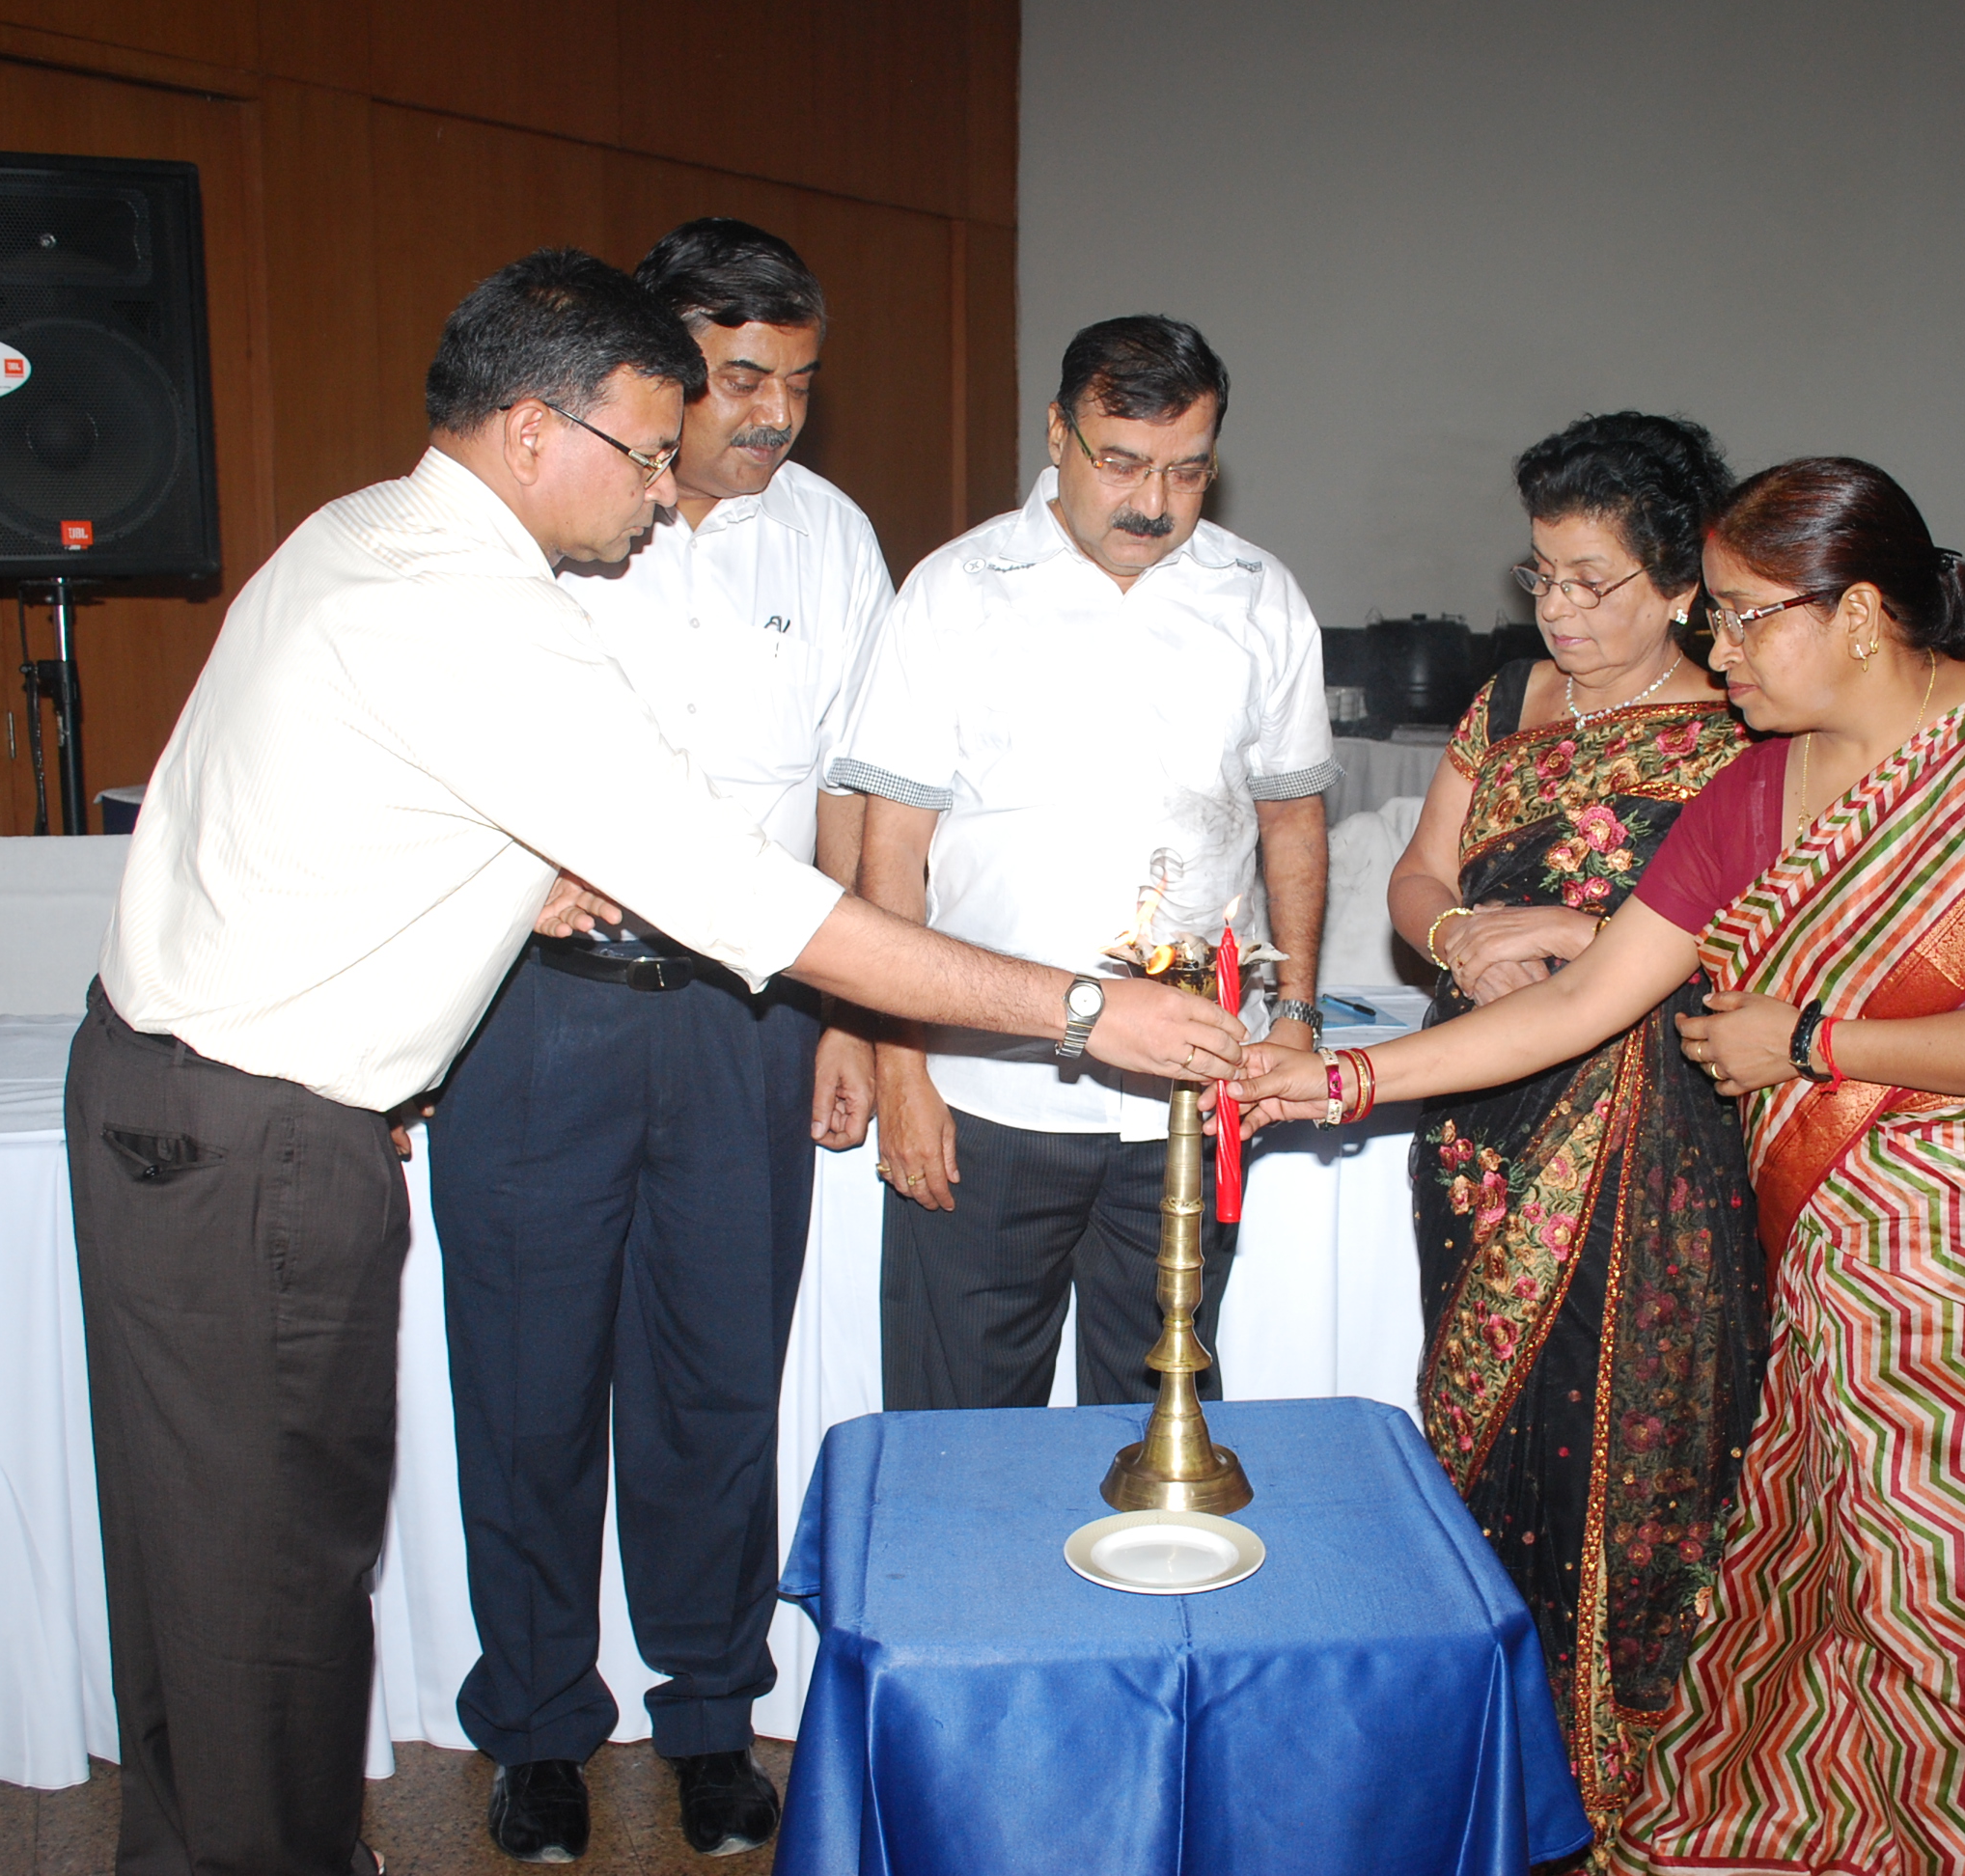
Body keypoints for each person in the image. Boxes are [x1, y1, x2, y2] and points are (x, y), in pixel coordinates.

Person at [65, 249, 1243, 1876]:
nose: (661, 483)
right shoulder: (480, 608)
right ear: (541, 429)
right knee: (266, 1593)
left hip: (199, 1100)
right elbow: (753, 894)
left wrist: (508, 868)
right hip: (262, 1137)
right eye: (641, 447)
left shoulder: (365, 530)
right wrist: (1076, 1009)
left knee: (217, 1582)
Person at [1237, 457, 1965, 1875]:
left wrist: (1810, 1038)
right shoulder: (1752, 792)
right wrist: (1341, 1080)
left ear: (1856, 613)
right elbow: (1578, 1002)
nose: (1716, 650)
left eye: (1740, 619)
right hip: (1858, 1268)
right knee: (1874, 1589)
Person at [427, 221, 888, 1864]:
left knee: (714, 1384)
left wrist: (846, 1014)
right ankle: (539, 1723)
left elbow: (854, 792)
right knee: (530, 1384)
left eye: (802, 380)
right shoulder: (523, 533)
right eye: (742, 377)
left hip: (746, 1022)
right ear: (656, 372)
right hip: (535, 1021)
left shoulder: (832, 540)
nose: (775, 412)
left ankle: (707, 1712)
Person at [1380, 413, 1763, 1861]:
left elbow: (1766, 929)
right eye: (1541, 573)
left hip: (1650, 1134)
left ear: (1681, 588)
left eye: (1594, 580)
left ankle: (1620, 1776)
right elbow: (1417, 877)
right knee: (1481, 1431)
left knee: (1625, 1438)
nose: (1558, 609)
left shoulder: (1747, 730)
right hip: (1482, 1124)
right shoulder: (1505, 701)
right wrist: (1464, 925)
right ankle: (1494, 1760)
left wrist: (1594, 932)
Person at [831, 314, 1334, 1410]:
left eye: (1187, 470)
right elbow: (893, 852)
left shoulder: (1258, 596)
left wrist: (1295, 1007)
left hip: (1190, 1105)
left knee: (1160, 1427)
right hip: (988, 1097)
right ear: (1057, 434)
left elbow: (1290, 819)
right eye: (1121, 463)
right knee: (958, 1428)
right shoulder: (955, 591)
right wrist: (901, 1068)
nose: (1152, 502)